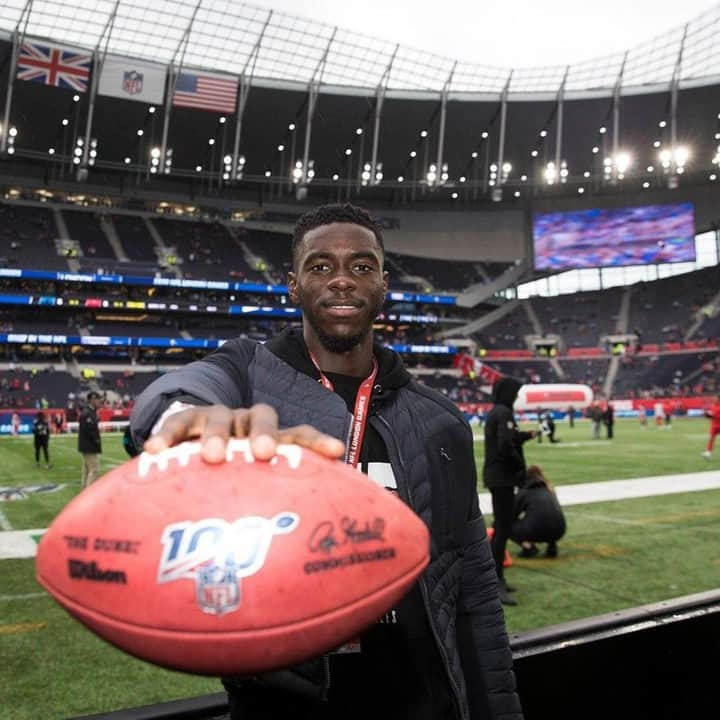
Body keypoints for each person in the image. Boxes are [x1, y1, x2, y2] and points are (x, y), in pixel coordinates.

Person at [130, 203, 523, 720]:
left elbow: (473, 595)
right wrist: (184, 420)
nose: (341, 280)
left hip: (421, 700)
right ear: (293, 285)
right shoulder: (249, 375)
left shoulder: (440, 422)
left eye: (361, 267)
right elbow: (183, 390)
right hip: (287, 704)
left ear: (384, 285)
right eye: (320, 266)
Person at [482, 377, 536, 606]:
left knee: (503, 527)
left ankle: (498, 579)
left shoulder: (499, 412)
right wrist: (519, 468)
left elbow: (508, 438)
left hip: (499, 478)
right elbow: (505, 446)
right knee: (502, 529)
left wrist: (524, 436)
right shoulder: (503, 413)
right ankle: (496, 582)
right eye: (515, 392)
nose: (516, 396)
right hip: (502, 478)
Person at [510, 465, 566, 558]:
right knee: (548, 517)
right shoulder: (550, 489)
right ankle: (552, 546)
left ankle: (528, 547)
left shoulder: (525, 491)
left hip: (537, 530)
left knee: (504, 525)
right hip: (560, 530)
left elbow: (511, 514)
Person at [78, 391, 103, 488]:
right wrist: (96, 441)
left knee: (87, 469)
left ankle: (84, 491)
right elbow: (90, 430)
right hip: (89, 445)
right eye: (97, 400)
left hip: (86, 445)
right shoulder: (88, 413)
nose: (99, 402)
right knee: (94, 470)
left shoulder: (89, 411)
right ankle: (88, 492)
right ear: (92, 400)